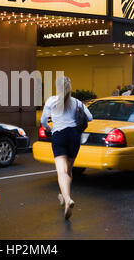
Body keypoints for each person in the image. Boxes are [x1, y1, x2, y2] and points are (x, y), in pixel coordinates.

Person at [40, 76, 93, 220]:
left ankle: (67, 198)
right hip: (74, 136)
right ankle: (64, 198)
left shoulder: (51, 100)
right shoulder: (76, 102)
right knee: (68, 170)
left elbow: (43, 120)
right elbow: (90, 117)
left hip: (59, 135)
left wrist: (49, 128)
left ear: (57, 87)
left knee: (61, 171)